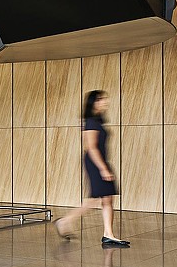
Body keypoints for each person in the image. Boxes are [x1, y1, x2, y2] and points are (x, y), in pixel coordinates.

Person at [53, 90, 129, 247]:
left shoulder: (98, 121)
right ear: (93, 103)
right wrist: (103, 169)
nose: (105, 102)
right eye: (101, 99)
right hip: (96, 163)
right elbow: (91, 148)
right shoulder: (91, 122)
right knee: (94, 199)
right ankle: (64, 222)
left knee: (107, 198)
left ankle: (108, 234)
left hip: (101, 161)